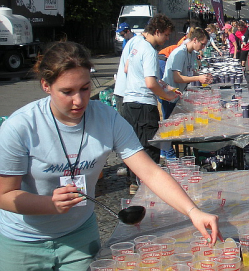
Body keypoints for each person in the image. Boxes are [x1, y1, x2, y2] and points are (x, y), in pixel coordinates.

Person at [0, 42, 222, 271]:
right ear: (46, 85)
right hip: (23, 240)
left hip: (79, 235)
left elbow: (150, 172)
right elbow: (4, 194)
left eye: (85, 88)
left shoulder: (106, 118)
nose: (79, 100)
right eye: (67, 92)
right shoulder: (21, 127)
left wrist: (193, 211)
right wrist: (48, 204)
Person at [121, 14, 179, 194]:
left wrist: (165, 85)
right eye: (166, 35)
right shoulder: (149, 51)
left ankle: (134, 183)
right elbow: (150, 83)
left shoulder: (136, 44)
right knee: (149, 147)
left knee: (133, 147)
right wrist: (167, 96)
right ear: (157, 31)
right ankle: (148, 188)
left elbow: (127, 68)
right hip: (144, 105)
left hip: (129, 103)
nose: (167, 39)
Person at [160, 28, 212, 119]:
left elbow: (190, 72)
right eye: (202, 44)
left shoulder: (191, 53)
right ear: (195, 40)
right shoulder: (180, 53)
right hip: (170, 97)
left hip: (178, 95)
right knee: (172, 125)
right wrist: (198, 78)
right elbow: (177, 78)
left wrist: (203, 76)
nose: (203, 47)